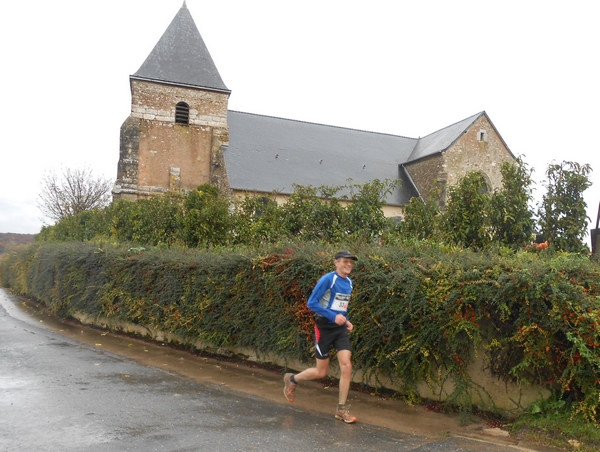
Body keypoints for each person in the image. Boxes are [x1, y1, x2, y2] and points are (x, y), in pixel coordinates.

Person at [283, 249, 359, 423]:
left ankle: (341, 409)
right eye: (345, 261)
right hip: (324, 329)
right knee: (321, 372)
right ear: (336, 262)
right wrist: (333, 317)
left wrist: (346, 321)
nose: (348, 264)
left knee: (346, 366)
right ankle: (292, 379)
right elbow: (312, 303)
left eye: (350, 262)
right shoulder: (328, 279)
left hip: (339, 330)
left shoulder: (349, 283)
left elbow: (341, 307)